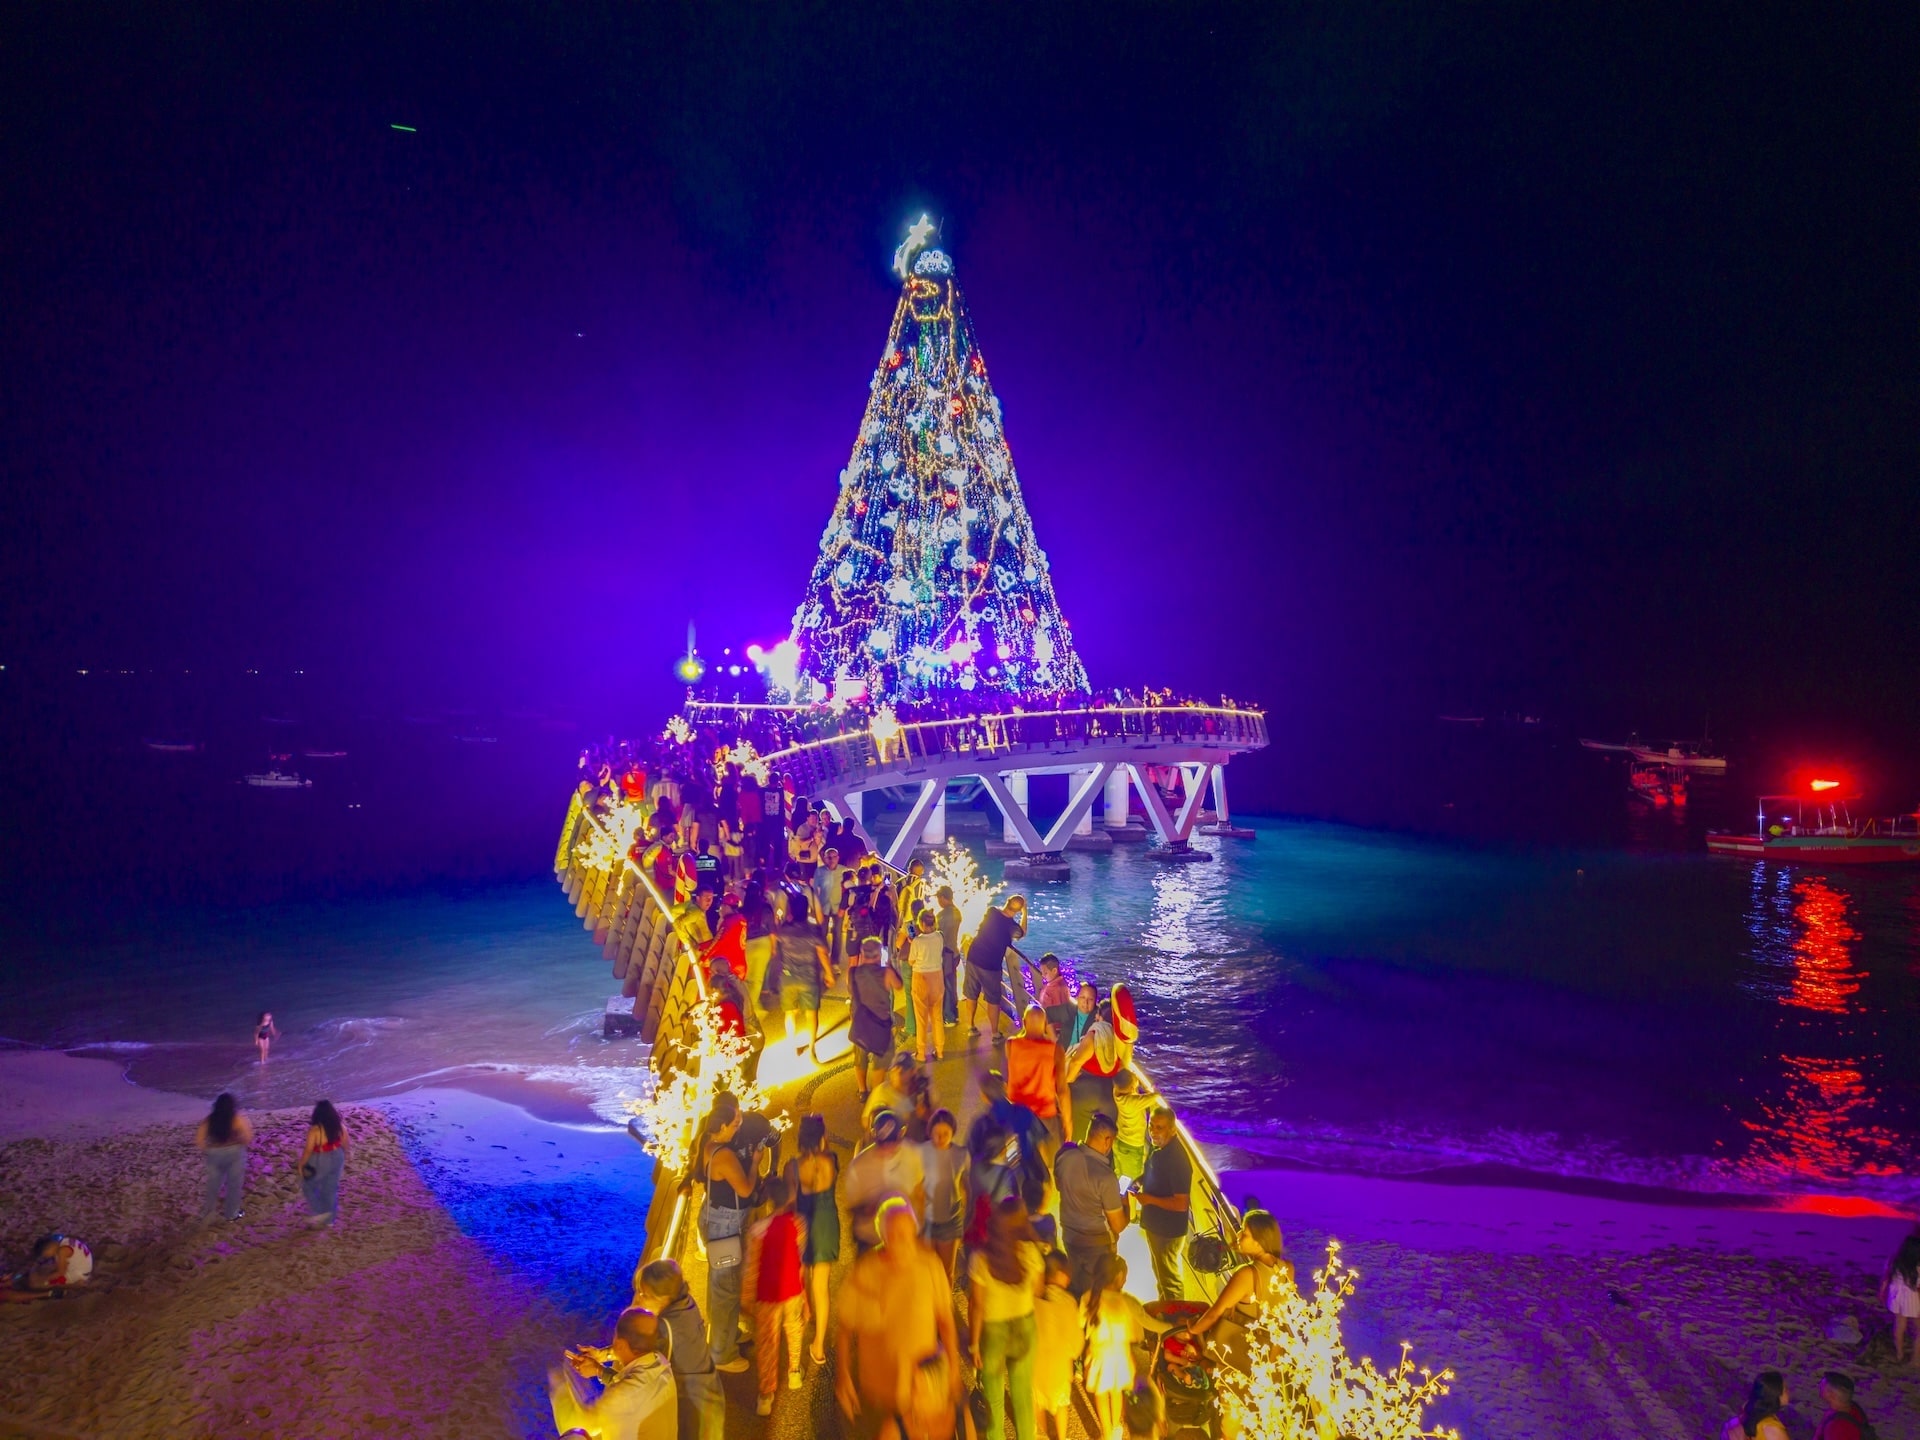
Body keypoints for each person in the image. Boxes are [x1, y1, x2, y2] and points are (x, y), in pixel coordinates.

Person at [835, 1197, 961, 1440]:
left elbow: (945, 1320)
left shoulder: (931, 1266)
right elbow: (844, 1328)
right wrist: (843, 1375)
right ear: (883, 1236)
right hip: (879, 1393)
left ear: (914, 1231)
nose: (898, 1240)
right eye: (891, 1234)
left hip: (920, 1395)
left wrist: (953, 1368)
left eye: (904, 1232)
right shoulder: (865, 1271)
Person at [689, 1094, 756, 1373]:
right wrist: (755, 1162)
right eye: (734, 1125)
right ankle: (721, 1353)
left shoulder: (707, 1144)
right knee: (726, 1289)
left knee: (719, 1284)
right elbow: (745, 1189)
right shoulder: (725, 1154)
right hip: (725, 1227)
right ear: (722, 1127)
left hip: (712, 1218)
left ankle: (724, 1336)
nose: (737, 1128)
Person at [968, 1196, 1044, 1440]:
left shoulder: (981, 1258)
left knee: (994, 1402)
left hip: (993, 1332)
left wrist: (973, 1343)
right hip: (1024, 1325)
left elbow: (977, 1306)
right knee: (1022, 1397)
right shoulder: (1031, 1251)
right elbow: (1038, 1291)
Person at [550, 1305, 677, 1440]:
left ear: (621, 1344)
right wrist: (599, 1368)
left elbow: (577, 1424)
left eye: (615, 1336)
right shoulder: (661, 1363)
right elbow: (633, 1387)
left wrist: (559, 1384)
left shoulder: (622, 1396)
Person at [634, 1259, 724, 1440]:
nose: (637, 1298)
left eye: (644, 1294)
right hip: (710, 1396)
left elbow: (639, 1374)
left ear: (663, 1298)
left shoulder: (665, 1327)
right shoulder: (686, 1301)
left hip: (691, 1409)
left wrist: (601, 1369)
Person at [1176, 1211, 1292, 1345]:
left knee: (1179, 1323)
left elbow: (1215, 1313)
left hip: (1243, 1347)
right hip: (1272, 1345)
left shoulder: (1246, 1274)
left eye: (1244, 1233)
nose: (1238, 1234)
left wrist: (1193, 1329)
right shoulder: (1287, 1268)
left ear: (1259, 1243)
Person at [744, 1175, 806, 1416]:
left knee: (767, 1344)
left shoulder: (757, 1230)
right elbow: (800, 1261)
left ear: (769, 1201)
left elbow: (752, 1269)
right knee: (794, 1328)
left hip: (767, 1294)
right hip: (792, 1289)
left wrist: (747, 1297)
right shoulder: (799, 1224)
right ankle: (793, 1372)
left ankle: (766, 1394)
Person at [783, 1113, 841, 1365]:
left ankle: (803, 1319)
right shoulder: (832, 1160)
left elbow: (789, 1203)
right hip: (827, 1224)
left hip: (804, 1224)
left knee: (800, 1280)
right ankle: (819, 1346)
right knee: (822, 1288)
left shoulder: (792, 1167)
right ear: (822, 1136)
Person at [1082, 1254, 1160, 1440]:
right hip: (1119, 1358)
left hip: (1098, 1356)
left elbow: (1082, 1324)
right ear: (1118, 1276)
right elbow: (1145, 1326)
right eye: (1125, 1276)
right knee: (1117, 1392)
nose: (1125, 1280)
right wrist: (1176, 1328)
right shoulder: (1126, 1301)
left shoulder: (1089, 1297)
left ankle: (1106, 1431)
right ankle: (1116, 1428)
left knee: (1101, 1394)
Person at [1054, 1114, 1127, 1296]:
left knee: (1077, 1285)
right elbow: (1118, 1225)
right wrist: (1125, 1202)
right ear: (1108, 1140)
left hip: (1070, 1237)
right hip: (1097, 1246)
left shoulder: (1064, 1155)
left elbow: (1059, 1184)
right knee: (1098, 1293)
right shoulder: (1106, 1178)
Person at [844, 1110, 926, 1252]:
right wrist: (870, 1208)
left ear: (902, 1133)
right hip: (871, 1240)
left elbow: (920, 1191)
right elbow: (851, 1207)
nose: (888, 1149)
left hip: (905, 1238)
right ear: (873, 1135)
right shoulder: (858, 1167)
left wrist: (921, 1228)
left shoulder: (913, 1155)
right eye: (882, 1144)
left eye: (892, 1143)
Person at [1133, 1105, 1192, 1303]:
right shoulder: (1159, 1148)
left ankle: (1178, 1322)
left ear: (1172, 1130)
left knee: (1170, 1280)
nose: (1153, 1132)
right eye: (1151, 1126)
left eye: (1160, 1128)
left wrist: (1149, 1200)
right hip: (1155, 1225)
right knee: (1161, 1274)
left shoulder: (1177, 1160)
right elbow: (1155, 1171)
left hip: (1167, 1231)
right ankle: (1165, 1309)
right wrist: (1140, 1180)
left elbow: (1181, 1203)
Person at [962, 895, 1027, 1045]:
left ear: (1007, 901)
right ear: (1017, 910)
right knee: (993, 1000)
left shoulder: (991, 911)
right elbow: (1022, 933)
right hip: (991, 965)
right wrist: (1025, 913)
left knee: (971, 994)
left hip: (974, 956)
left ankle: (970, 1026)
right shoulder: (1012, 927)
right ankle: (995, 1033)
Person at [774, 902, 833, 1059]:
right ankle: (812, 1048)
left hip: (787, 977)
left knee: (789, 1014)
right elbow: (822, 953)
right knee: (811, 1014)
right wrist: (829, 973)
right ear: (807, 911)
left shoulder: (784, 930)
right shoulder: (813, 930)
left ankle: (792, 1046)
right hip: (809, 977)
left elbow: (775, 947)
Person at [1030, 1251, 1079, 1440]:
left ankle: (1040, 1435)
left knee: (1037, 1401)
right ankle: (1062, 1435)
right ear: (1060, 1275)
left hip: (1036, 1362)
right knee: (1060, 1403)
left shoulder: (1033, 1299)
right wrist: (1073, 1353)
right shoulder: (1068, 1302)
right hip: (1059, 1364)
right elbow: (1075, 1341)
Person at [847, 937, 903, 1099]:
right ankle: (876, 1094)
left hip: (860, 1024)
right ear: (879, 955)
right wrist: (891, 966)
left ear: (862, 955)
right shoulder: (887, 973)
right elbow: (899, 986)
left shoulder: (853, 972)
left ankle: (862, 1090)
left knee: (860, 1058)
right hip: (880, 1026)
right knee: (882, 1059)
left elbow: (851, 989)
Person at [1005, 1004, 1066, 1154]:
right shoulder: (1055, 1050)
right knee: (1052, 1153)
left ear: (1024, 1022)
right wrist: (1068, 1121)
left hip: (1019, 1110)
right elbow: (1062, 1090)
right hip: (1045, 1111)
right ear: (1045, 1024)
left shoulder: (1010, 1044)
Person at [918, 1107, 969, 1281]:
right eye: (936, 1133)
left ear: (953, 1132)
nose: (940, 1138)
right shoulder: (920, 1153)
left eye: (945, 1133)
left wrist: (967, 1217)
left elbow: (966, 1187)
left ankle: (945, 1307)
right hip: (927, 1221)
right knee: (927, 1271)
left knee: (947, 1273)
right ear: (930, 1132)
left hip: (950, 1220)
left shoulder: (961, 1155)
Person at [196, 1091, 253, 1223]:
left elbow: (199, 1140)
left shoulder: (209, 1120)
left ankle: (207, 1213)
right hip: (235, 1153)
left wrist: (209, 1149)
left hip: (214, 1154)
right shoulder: (237, 1118)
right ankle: (231, 1214)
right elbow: (248, 1137)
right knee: (234, 1185)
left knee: (213, 1185)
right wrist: (239, 1143)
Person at [905, 910, 948, 1063]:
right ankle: (940, 1050)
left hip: (921, 979)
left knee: (921, 1018)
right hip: (937, 979)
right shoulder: (940, 936)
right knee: (937, 1016)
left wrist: (913, 944)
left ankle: (921, 1053)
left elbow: (911, 961)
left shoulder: (917, 941)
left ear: (922, 923)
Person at [299, 1100, 349, 1227]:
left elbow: (308, 1150)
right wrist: (344, 1156)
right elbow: (345, 1143)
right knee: (330, 1189)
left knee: (308, 1185)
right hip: (338, 1155)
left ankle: (319, 1212)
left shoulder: (315, 1130)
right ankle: (329, 1220)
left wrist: (301, 1164)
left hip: (320, 1158)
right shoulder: (339, 1126)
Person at [1, 1234, 92, 1302]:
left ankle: (73, 1286)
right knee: (37, 1274)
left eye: (45, 1254)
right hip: (80, 1270)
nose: (46, 1256)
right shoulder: (64, 1241)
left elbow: (61, 1272)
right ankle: (12, 1282)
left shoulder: (62, 1251)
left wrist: (43, 1279)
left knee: (36, 1283)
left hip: (77, 1275)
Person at [1881, 1231, 1920, 1364]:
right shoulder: (1917, 1267)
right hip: (1912, 1298)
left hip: (1896, 1297)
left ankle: (1899, 1354)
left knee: (1899, 1326)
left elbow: (1886, 1279)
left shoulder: (1894, 1260)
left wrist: (1882, 1293)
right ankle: (1915, 1359)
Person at [1110, 1070, 1154, 1180]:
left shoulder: (1116, 1092)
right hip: (1131, 1146)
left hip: (1119, 1140)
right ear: (1131, 1087)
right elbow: (1155, 1097)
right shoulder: (1132, 1102)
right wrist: (1150, 1090)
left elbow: (1134, 1095)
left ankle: (1118, 1194)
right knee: (1131, 1179)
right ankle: (1125, 1196)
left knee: (1120, 1174)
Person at [1720, 1371, 1790, 1440]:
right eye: (1785, 1390)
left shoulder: (1733, 1424)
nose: (1789, 1392)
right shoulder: (1773, 1431)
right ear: (1775, 1396)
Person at [935, 885, 963, 1025]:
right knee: (952, 983)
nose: (938, 902)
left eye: (939, 898)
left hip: (945, 955)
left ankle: (949, 1016)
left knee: (946, 985)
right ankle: (954, 1012)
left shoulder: (942, 916)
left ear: (944, 898)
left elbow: (935, 933)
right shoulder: (957, 912)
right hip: (955, 953)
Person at [1813, 1372, 1870, 1440]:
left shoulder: (1836, 1427)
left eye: (1822, 1385)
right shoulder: (1853, 1407)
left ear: (1831, 1394)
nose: (1819, 1386)